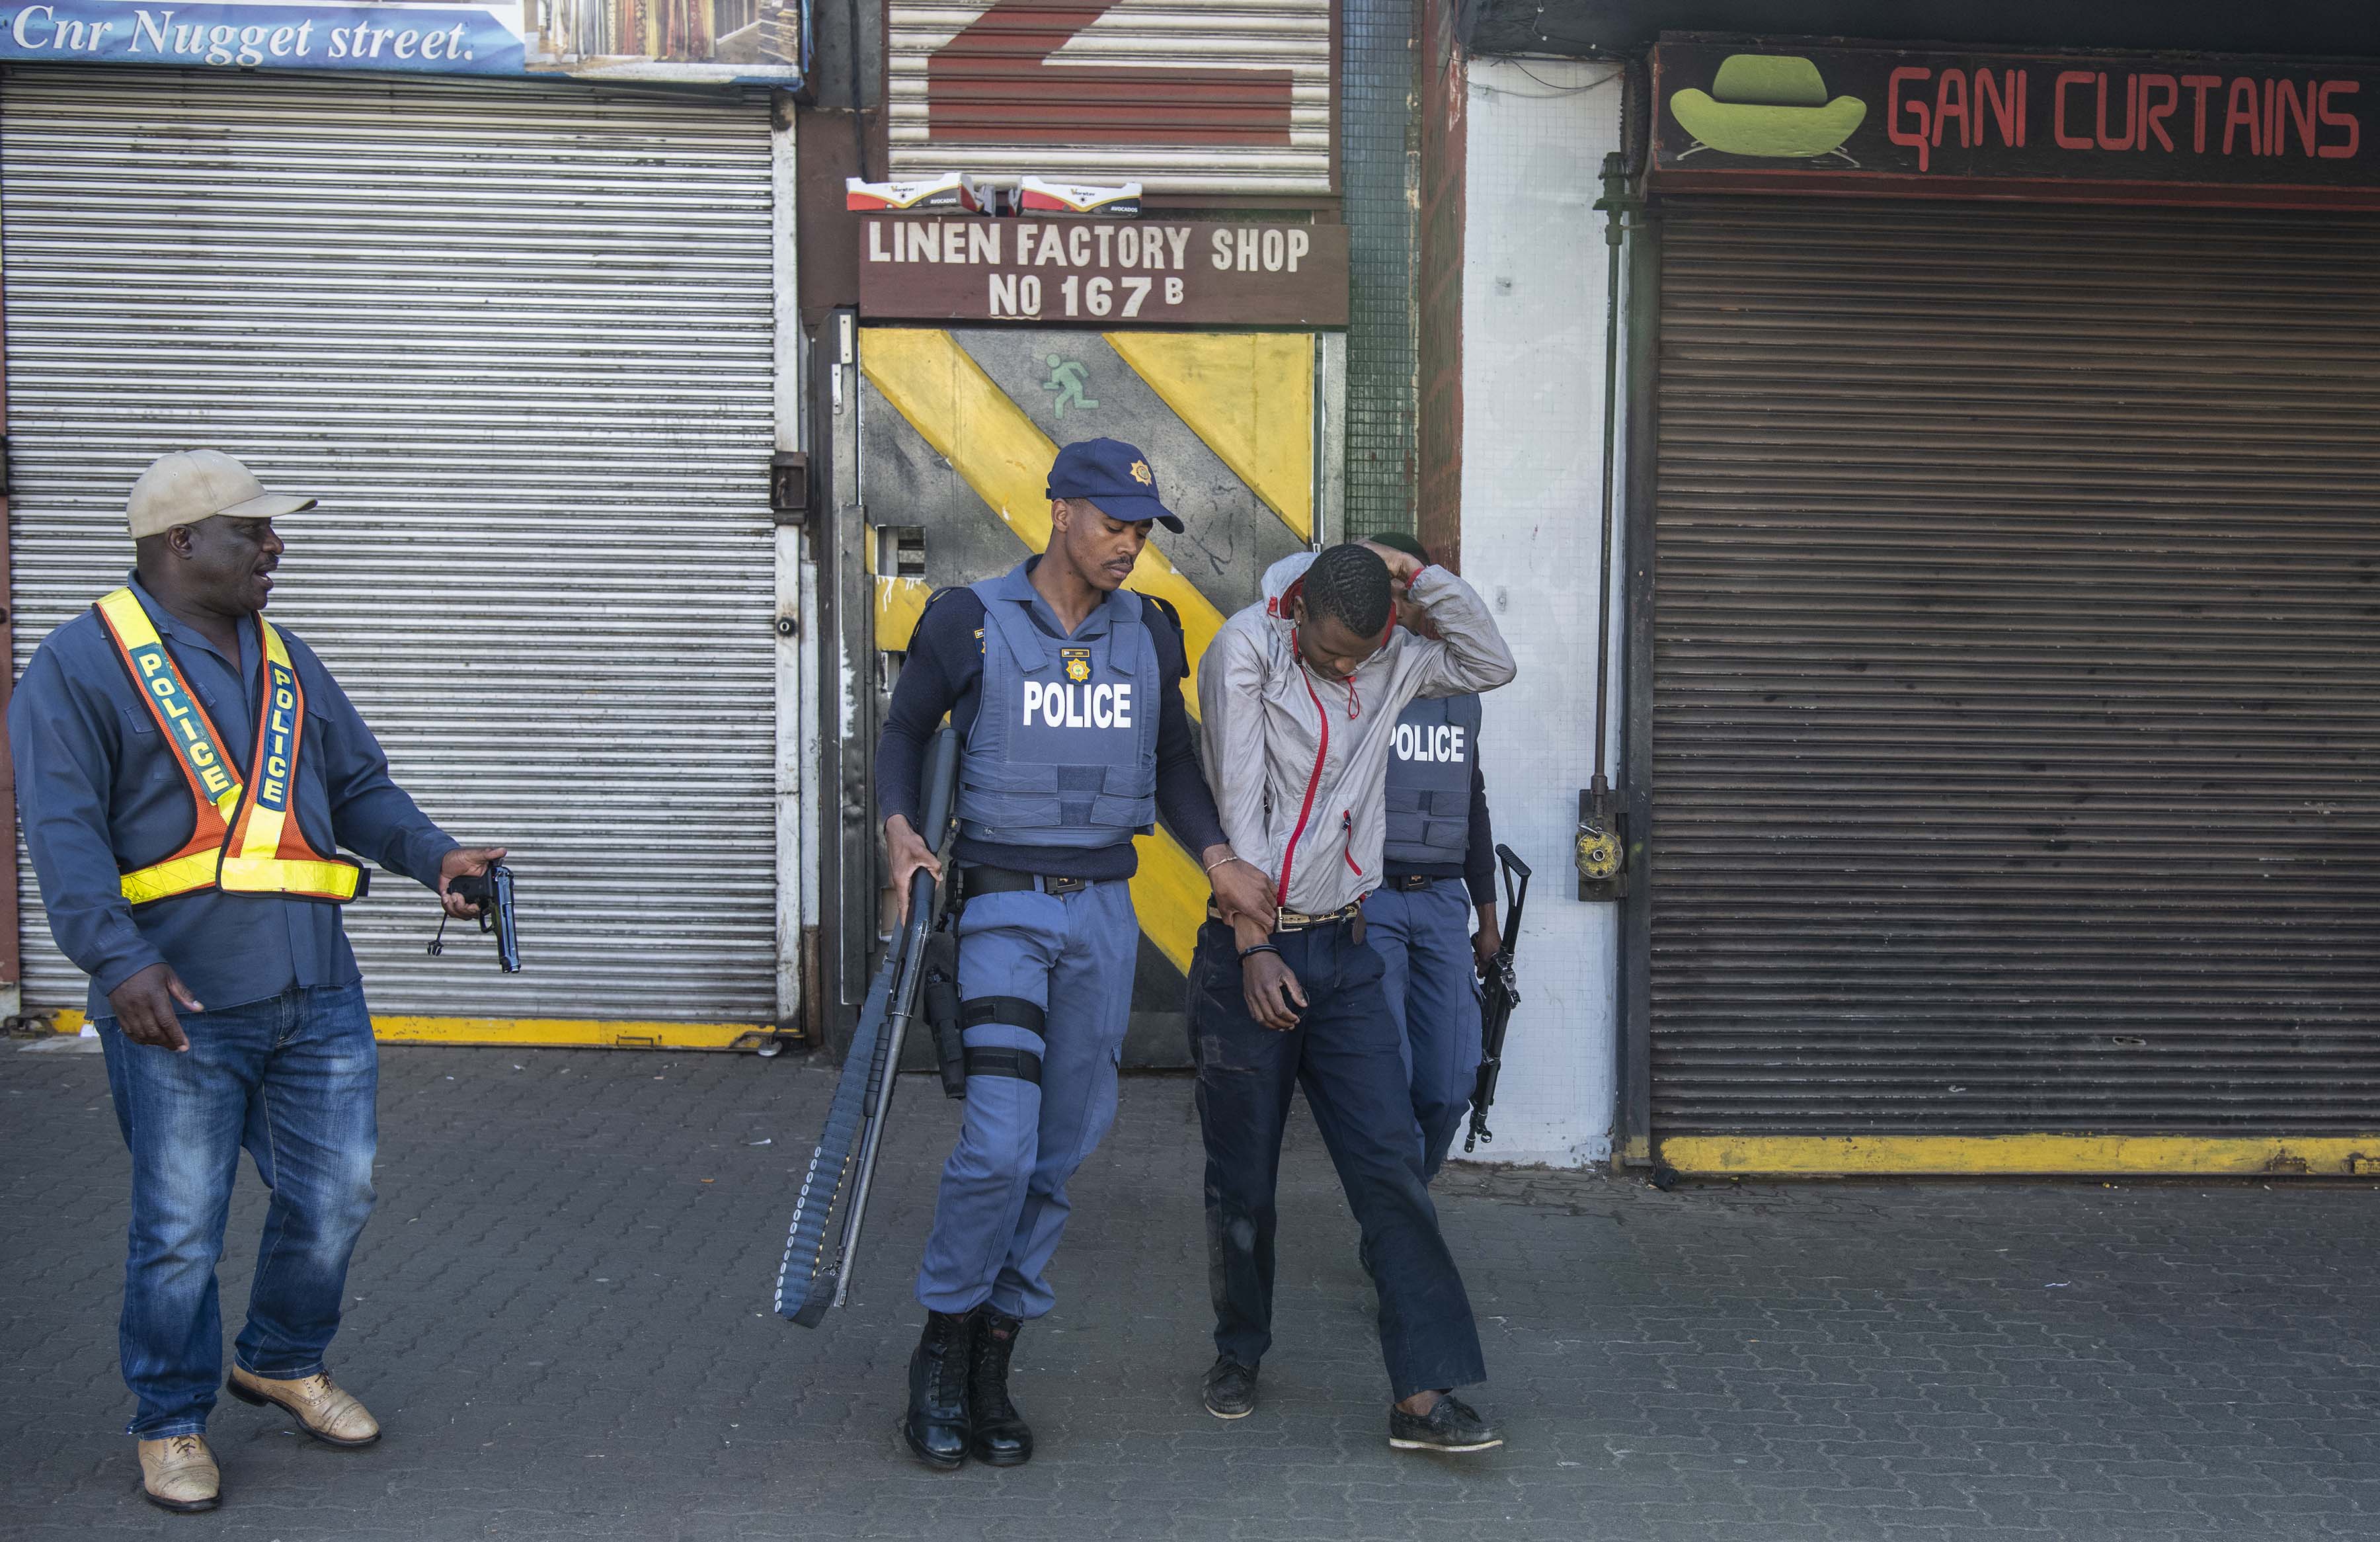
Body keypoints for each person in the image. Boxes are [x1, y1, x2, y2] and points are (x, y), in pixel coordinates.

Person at [8, 449, 508, 1514]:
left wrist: (436, 857)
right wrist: (118, 960)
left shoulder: (286, 659)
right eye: (254, 532)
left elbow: (359, 787)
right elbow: (63, 832)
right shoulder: (80, 664)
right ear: (181, 544)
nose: (276, 548)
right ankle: (170, 1420)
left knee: (338, 1194)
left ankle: (280, 1355)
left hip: (315, 985)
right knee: (181, 1222)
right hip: (179, 1000)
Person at [875, 437, 1275, 1471]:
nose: (1129, 545)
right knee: (998, 1146)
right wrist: (900, 834)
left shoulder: (1153, 629)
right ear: (1059, 512)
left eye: (1142, 530)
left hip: (1102, 911)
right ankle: (941, 1344)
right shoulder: (968, 619)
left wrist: (1220, 855)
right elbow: (904, 731)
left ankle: (993, 1364)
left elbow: (1174, 760)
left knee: (1058, 1155)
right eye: (1113, 525)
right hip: (1003, 912)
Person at [1189, 540, 1516, 1453]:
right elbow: (1238, 800)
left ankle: (1423, 1395)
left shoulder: (1395, 657)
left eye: (1361, 653)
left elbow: (1493, 662)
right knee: (1244, 1182)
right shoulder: (1247, 649)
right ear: (1298, 614)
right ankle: (1240, 1350)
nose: (1347, 669)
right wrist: (1255, 946)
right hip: (1248, 953)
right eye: (1333, 652)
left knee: (1391, 1170)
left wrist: (1414, 578)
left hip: (1346, 951)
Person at [1360, 532, 1499, 1182]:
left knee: (1448, 1084)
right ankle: (1395, 1223)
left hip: (1444, 903)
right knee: (1388, 1076)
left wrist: (1489, 916)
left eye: (1405, 590)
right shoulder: (1356, 676)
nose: (1400, 605)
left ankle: (1405, 1197)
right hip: (1371, 898)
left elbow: (1470, 804)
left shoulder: (1460, 687)